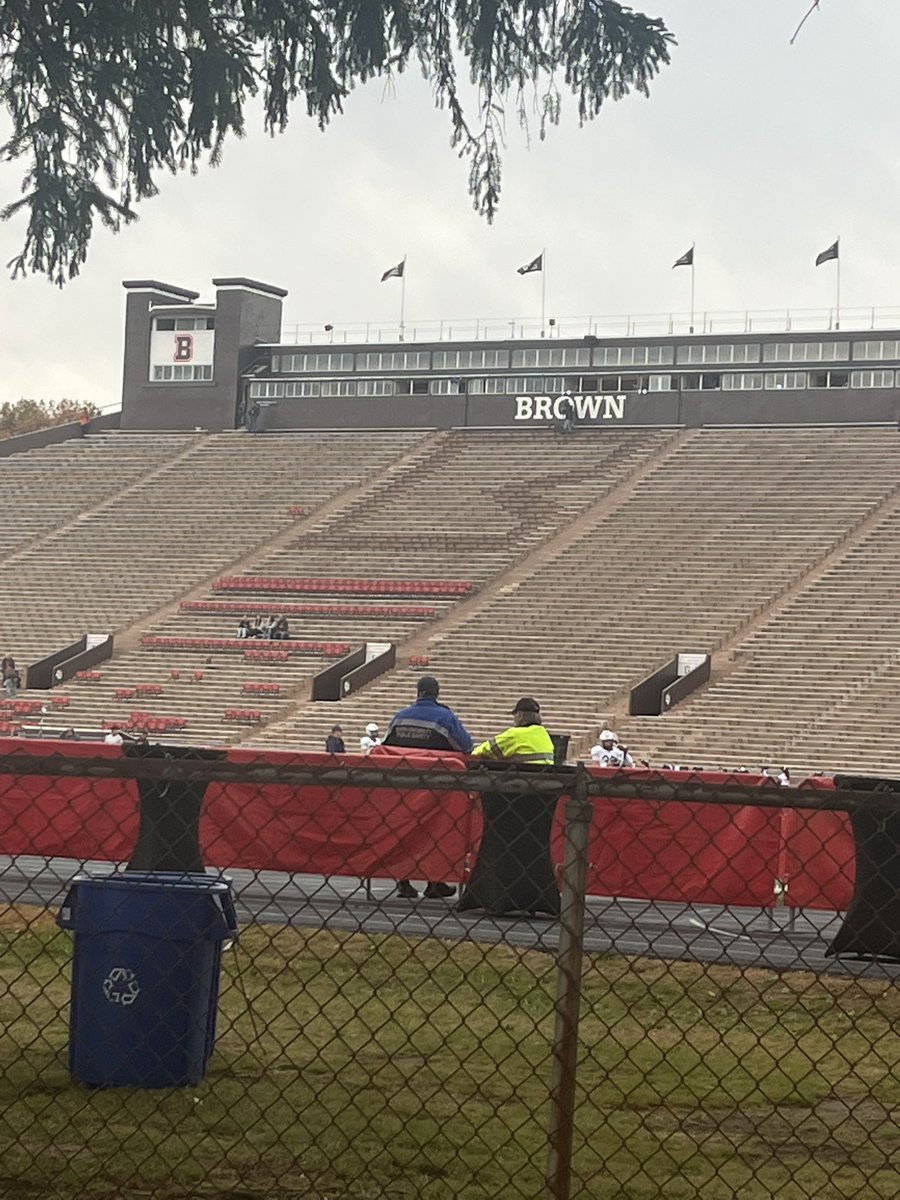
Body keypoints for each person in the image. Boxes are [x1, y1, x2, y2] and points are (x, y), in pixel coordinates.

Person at [382, 675, 474, 900]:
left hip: (404, 789)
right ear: (436, 694)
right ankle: (435, 882)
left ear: (418, 693)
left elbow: (386, 748)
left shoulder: (400, 717)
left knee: (405, 834)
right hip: (437, 791)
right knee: (436, 833)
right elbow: (467, 747)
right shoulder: (445, 717)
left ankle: (403, 881)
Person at [471, 696, 555, 763]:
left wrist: (474, 751)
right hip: (544, 779)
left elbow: (484, 750)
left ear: (520, 715)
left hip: (521, 778)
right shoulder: (544, 733)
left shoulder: (515, 734)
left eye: (515, 714)